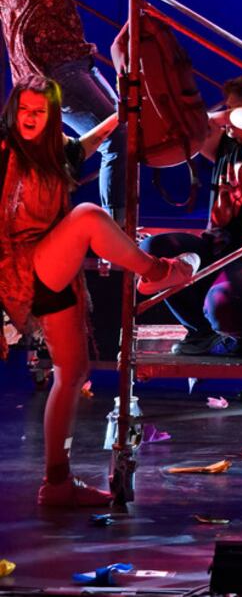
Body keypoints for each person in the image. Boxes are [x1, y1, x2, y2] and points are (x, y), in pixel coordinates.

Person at [0, 77, 197, 507]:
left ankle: (57, 484)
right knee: (89, 216)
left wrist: (121, 115)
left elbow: (86, 145)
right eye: (24, 110)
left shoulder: (56, 155)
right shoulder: (4, 152)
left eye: (40, 112)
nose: (30, 119)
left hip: (54, 268)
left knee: (73, 374)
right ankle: (157, 270)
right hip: (17, 268)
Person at [0, 0, 133, 219]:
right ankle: (118, 230)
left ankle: (117, 227)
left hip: (71, 66)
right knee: (117, 136)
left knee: (124, 129)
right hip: (55, 72)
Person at [140, 74, 242, 357]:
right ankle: (202, 331)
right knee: (151, 250)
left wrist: (226, 115)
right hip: (213, 247)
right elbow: (201, 127)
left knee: (223, 304)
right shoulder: (227, 145)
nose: (227, 117)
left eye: (234, 109)